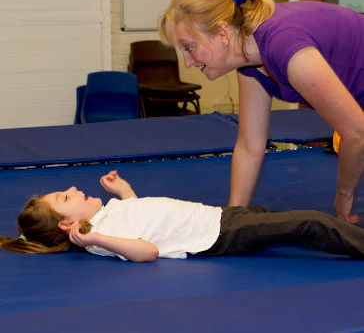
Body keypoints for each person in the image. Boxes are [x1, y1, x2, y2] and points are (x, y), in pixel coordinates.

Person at [158, 0, 364, 224]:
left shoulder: (284, 47)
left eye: (189, 48)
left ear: (223, 34)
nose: (187, 63)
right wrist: (231, 219)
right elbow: (249, 145)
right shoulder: (249, 60)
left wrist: (344, 195)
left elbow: (357, 133)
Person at [2, 170, 364, 261]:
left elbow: (142, 218)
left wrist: (124, 191)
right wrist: (94, 238)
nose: (75, 189)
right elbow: (147, 250)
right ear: (68, 225)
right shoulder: (100, 238)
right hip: (221, 235)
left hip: (220, 217)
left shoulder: (111, 216)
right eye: (66, 197)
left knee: (282, 221)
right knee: (308, 223)